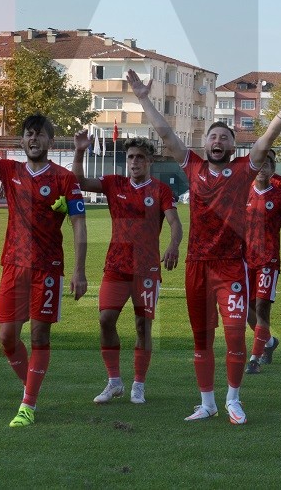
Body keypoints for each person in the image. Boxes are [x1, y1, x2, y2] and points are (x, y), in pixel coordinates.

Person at [128, 66, 281, 425]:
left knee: (234, 336)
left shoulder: (243, 169)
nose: (218, 141)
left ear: (232, 145)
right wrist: (144, 99)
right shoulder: (192, 167)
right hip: (197, 264)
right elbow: (165, 133)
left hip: (230, 266)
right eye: (213, 136)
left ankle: (233, 399)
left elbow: (268, 138)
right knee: (201, 338)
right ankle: (207, 402)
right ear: (205, 143)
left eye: (224, 137)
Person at [0, 88, 85, 427]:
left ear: (50, 141)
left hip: (48, 268)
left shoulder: (65, 179)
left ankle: (27, 404)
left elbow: (78, 224)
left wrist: (79, 270)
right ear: (24, 140)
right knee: (6, 337)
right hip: (14, 266)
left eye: (40, 135)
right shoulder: (10, 171)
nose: (34, 139)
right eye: (29, 134)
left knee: (40, 336)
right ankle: (31, 385)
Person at [72, 129, 182, 407]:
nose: (135, 162)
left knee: (142, 326)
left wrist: (173, 245)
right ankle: (114, 382)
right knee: (105, 319)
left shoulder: (160, 190)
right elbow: (79, 181)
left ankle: (138, 385)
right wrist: (80, 150)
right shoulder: (114, 184)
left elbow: (174, 223)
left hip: (146, 270)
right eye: (131, 157)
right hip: (116, 266)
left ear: (150, 162)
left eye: (140, 158)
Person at [244, 150, 281, 374]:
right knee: (247, 309)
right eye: (259, 164)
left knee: (262, 307)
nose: (262, 168)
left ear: (273, 169)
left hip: (269, 260)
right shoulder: (243, 193)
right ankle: (268, 342)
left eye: (267, 164)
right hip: (245, 260)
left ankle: (254, 359)